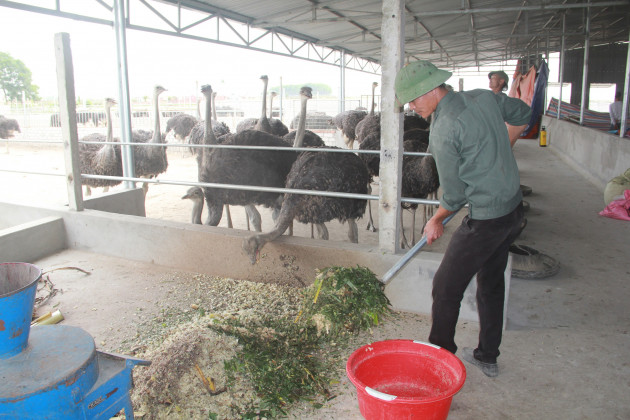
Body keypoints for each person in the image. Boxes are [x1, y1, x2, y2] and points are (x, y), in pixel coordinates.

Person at [394, 60, 532, 377]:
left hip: (486, 220)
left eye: (413, 99)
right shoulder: (483, 97)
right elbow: (523, 114)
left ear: (431, 90)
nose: (413, 107)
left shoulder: (443, 131)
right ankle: (487, 354)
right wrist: (501, 150)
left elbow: (454, 196)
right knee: (491, 282)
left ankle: (439, 364)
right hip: (513, 210)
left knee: (445, 289)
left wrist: (437, 219)